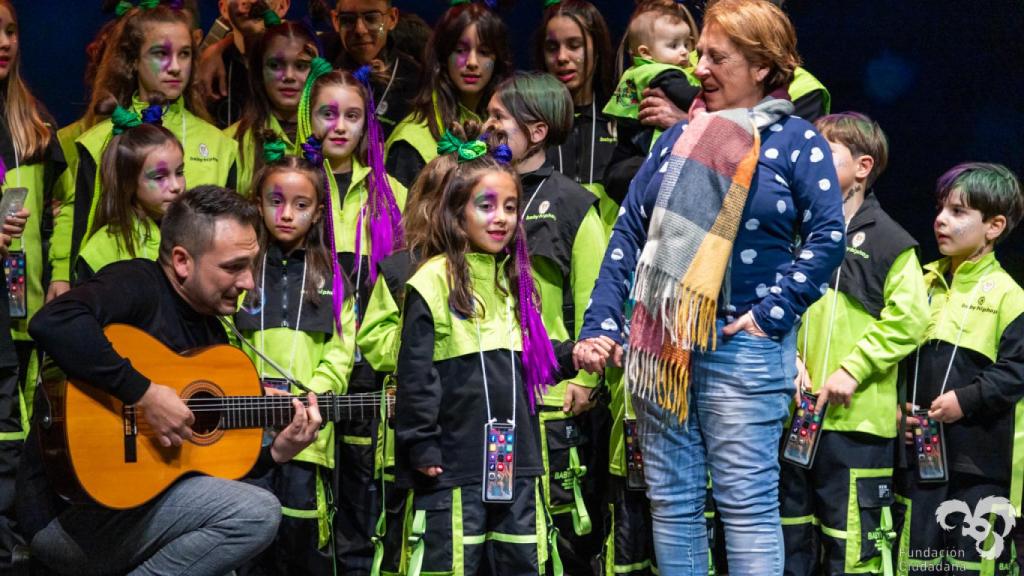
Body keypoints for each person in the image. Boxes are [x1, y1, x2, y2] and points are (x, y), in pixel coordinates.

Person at [574, 1, 846, 573]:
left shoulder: (796, 140)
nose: (698, 67)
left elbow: (828, 237)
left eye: (717, 57)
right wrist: (603, 322)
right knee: (672, 508)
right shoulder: (679, 140)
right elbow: (629, 230)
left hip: (743, 347)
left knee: (745, 508)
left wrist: (770, 315)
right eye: (699, 53)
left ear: (764, 67)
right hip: (663, 349)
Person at [17, 186, 323, 576]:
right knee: (256, 512)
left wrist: (278, 452)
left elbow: (203, 467)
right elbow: (52, 321)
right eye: (233, 267)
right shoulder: (138, 284)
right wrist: (144, 394)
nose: (249, 282)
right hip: (70, 515)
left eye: (252, 265)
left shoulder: (212, 334)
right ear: (182, 261)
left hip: (136, 507)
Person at [393, 126, 590, 575]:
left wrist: (575, 354)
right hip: (454, 466)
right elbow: (416, 375)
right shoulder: (432, 280)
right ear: (457, 214)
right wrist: (421, 445)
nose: (500, 218)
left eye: (510, 207)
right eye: (486, 206)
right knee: (451, 563)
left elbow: (531, 358)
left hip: (514, 464)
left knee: (521, 560)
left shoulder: (513, 283)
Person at [779, 112, 929, 576]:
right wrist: (791, 359)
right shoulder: (797, 232)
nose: (811, 161)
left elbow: (910, 320)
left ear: (863, 167)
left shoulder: (891, 241)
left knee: (853, 548)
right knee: (789, 541)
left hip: (857, 425)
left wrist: (853, 369)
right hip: (793, 416)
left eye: (825, 152)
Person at [482, 71, 608, 573]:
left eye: (498, 118)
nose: (485, 126)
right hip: (489, 400)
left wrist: (582, 378)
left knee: (558, 538)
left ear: (536, 132)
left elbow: (599, 301)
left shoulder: (575, 204)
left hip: (552, 404)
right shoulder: (473, 191)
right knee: (498, 535)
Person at [49, 3, 239, 300]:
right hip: (115, 295)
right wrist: (60, 275)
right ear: (133, 60)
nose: (175, 67)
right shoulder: (98, 140)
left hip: (196, 302)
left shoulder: (220, 145)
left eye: (185, 54)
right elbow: (77, 219)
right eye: (161, 54)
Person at [299, 62, 406, 574]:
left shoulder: (392, 197)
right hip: (310, 362)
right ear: (307, 117)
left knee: (363, 490)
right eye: (327, 113)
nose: (338, 126)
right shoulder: (289, 191)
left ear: (368, 125)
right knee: (310, 491)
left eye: (352, 116)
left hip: (366, 364)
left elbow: (402, 288)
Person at [893, 163, 1024, 576]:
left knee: (969, 566)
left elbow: (1017, 371)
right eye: (941, 208)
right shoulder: (921, 282)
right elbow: (895, 357)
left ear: (994, 226)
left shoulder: (1010, 295)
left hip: (978, 466)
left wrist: (964, 401)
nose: (941, 220)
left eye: (958, 211)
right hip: (918, 457)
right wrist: (897, 411)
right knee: (917, 564)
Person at [235, 153, 356, 575]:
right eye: (275, 201)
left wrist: (314, 398)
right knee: (250, 544)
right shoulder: (240, 268)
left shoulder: (334, 275)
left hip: (308, 435)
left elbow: (341, 352)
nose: (286, 214)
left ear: (318, 211)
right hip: (243, 434)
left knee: (303, 544)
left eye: (301, 205)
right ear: (257, 203)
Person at [0, 2, 65, 567]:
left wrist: (61, 274)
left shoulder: (32, 124)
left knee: (18, 418)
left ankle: (15, 535)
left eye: (10, 31)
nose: (3, 42)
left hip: (21, 303)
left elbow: (62, 207)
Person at [384, 0, 512, 189]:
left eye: (484, 52)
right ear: (443, 58)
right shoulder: (411, 141)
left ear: (498, 61)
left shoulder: (505, 131)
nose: (472, 62)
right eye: (460, 51)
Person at [534, 0, 618, 233]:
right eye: (552, 47)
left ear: (597, 49)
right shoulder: (530, 125)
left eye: (574, 45)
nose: (562, 57)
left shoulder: (620, 120)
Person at [75, 103, 184, 282]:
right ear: (129, 182)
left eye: (179, 172)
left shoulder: (192, 233)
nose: (176, 186)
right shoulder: (100, 250)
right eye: (159, 177)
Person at [227, 17, 316, 194]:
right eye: (275, 65)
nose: (289, 76)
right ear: (259, 72)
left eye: (301, 66)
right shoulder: (230, 142)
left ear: (318, 70)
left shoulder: (335, 138)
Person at [603, 1, 700, 159]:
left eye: (686, 44)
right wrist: (710, 98)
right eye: (674, 45)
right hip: (649, 142)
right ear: (646, 53)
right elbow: (687, 96)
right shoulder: (664, 73)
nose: (684, 52)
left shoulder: (636, 71)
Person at [313, 0, 422, 139]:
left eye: (371, 18)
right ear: (335, 20)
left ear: (392, 18)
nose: (360, 29)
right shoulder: (319, 59)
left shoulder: (416, 79)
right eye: (347, 20)